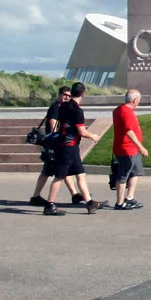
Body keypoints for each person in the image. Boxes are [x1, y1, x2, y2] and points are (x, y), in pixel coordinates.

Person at [44, 83, 101, 214]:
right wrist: (93, 136)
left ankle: (90, 203)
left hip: (67, 145)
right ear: (83, 94)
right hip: (68, 147)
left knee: (80, 174)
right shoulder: (77, 110)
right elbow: (81, 131)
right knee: (59, 176)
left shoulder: (63, 106)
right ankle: (49, 205)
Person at [29, 86, 73, 206]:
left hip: (53, 143)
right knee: (52, 170)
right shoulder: (56, 106)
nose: (67, 97)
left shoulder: (62, 107)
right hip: (53, 143)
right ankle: (36, 197)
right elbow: (53, 124)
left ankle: (74, 194)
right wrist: (60, 135)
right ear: (59, 94)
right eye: (65, 95)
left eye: (69, 96)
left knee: (55, 170)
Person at [110, 89, 149, 210]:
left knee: (136, 172)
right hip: (127, 149)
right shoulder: (126, 112)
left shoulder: (119, 109)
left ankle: (130, 198)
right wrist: (140, 147)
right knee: (123, 175)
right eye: (139, 101)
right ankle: (120, 203)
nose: (139, 103)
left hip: (131, 149)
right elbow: (129, 131)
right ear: (135, 100)